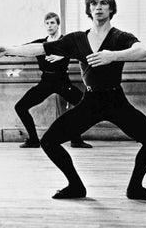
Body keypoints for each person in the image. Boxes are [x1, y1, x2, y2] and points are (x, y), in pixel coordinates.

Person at [0, 0, 146, 201]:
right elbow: (40, 48)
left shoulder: (120, 37)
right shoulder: (77, 39)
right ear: (89, 9)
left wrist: (112, 56)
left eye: (103, 3)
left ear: (111, 8)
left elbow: (142, 51)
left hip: (116, 101)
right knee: (49, 142)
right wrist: (7, 48)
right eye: (94, 4)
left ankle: (135, 187)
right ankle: (76, 186)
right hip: (91, 102)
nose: (98, 7)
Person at [16, 12, 92, 148]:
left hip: (62, 82)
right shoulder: (40, 44)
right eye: (47, 23)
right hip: (46, 82)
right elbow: (21, 49)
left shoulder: (65, 42)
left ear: (58, 25)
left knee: (85, 105)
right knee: (20, 107)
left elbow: (84, 50)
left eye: (52, 23)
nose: (50, 26)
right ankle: (33, 140)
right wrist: (2, 51)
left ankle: (76, 139)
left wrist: (63, 55)